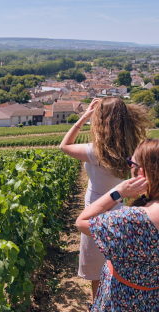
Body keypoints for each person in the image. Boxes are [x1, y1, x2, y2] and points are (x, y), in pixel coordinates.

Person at [59, 96, 151, 309]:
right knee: (116, 267)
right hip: (120, 211)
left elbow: (64, 146)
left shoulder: (93, 151)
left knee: (96, 273)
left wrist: (84, 116)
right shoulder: (135, 150)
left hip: (95, 211)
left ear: (100, 122)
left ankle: (96, 305)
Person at [76, 138, 159, 311]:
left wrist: (118, 192)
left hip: (121, 300)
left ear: (141, 173)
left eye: (131, 162)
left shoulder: (130, 219)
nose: (129, 166)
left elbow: (81, 222)